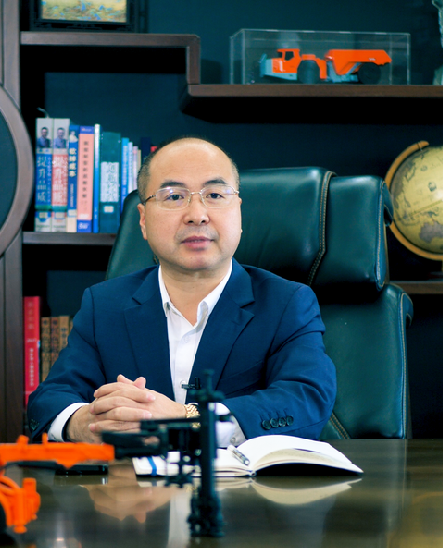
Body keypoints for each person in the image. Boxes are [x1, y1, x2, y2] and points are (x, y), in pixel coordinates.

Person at [26, 136, 336, 444]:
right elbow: (50, 399)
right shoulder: (104, 305)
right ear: (143, 221)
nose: (197, 214)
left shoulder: (286, 303)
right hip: (132, 477)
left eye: (215, 195)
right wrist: (87, 423)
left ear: (238, 212)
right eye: (174, 196)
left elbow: (305, 400)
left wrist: (186, 418)